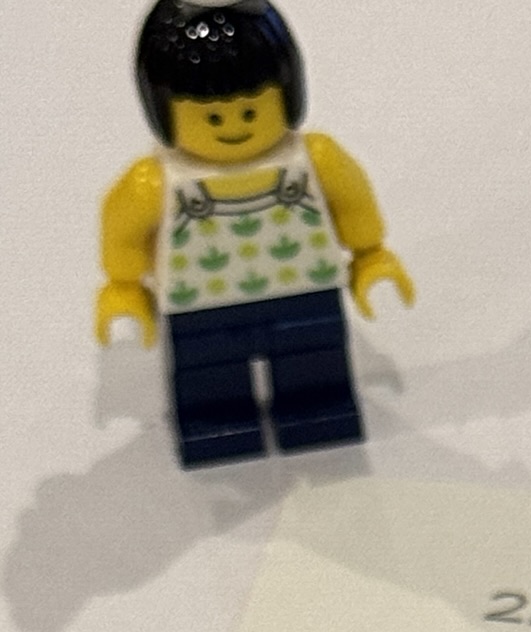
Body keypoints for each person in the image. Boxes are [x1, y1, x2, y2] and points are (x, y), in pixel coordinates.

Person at [96, 0, 414, 465]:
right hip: (200, 303)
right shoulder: (155, 182)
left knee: (312, 365)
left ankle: (316, 410)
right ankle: (216, 422)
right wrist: (124, 285)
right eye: (212, 116)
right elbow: (124, 228)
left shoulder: (317, 159)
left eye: (250, 110)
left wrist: (369, 255)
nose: (233, 127)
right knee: (211, 378)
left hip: (304, 288)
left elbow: (352, 202)